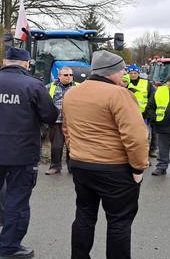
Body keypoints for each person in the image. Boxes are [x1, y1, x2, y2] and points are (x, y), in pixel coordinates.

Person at [0, 47, 58, 259]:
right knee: (17, 201)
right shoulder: (34, 85)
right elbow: (50, 115)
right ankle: (9, 248)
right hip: (22, 154)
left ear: (4, 61)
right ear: (27, 63)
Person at [62, 51, 149, 259]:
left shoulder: (72, 93)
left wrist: (75, 154)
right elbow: (136, 136)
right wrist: (138, 167)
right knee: (119, 221)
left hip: (81, 165)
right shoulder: (119, 94)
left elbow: (67, 129)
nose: (124, 75)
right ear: (113, 72)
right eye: (123, 71)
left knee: (84, 216)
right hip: (114, 169)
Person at [44, 66, 77, 175]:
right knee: (56, 146)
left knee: (72, 146)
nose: (69, 77)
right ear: (59, 76)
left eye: (71, 75)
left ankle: (72, 167)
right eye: (66, 75)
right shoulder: (50, 87)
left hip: (73, 122)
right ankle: (55, 166)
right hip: (57, 122)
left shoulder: (78, 87)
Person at [126, 64, 157, 158]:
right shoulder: (126, 83)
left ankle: (150, 151)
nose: (133, 75)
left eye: (135, 73)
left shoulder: (146, 83)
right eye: (131, 73)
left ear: (138, 73)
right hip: (131, 113)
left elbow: (152, 97)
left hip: (145, 114)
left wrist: (148, 110)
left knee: (146, 134)